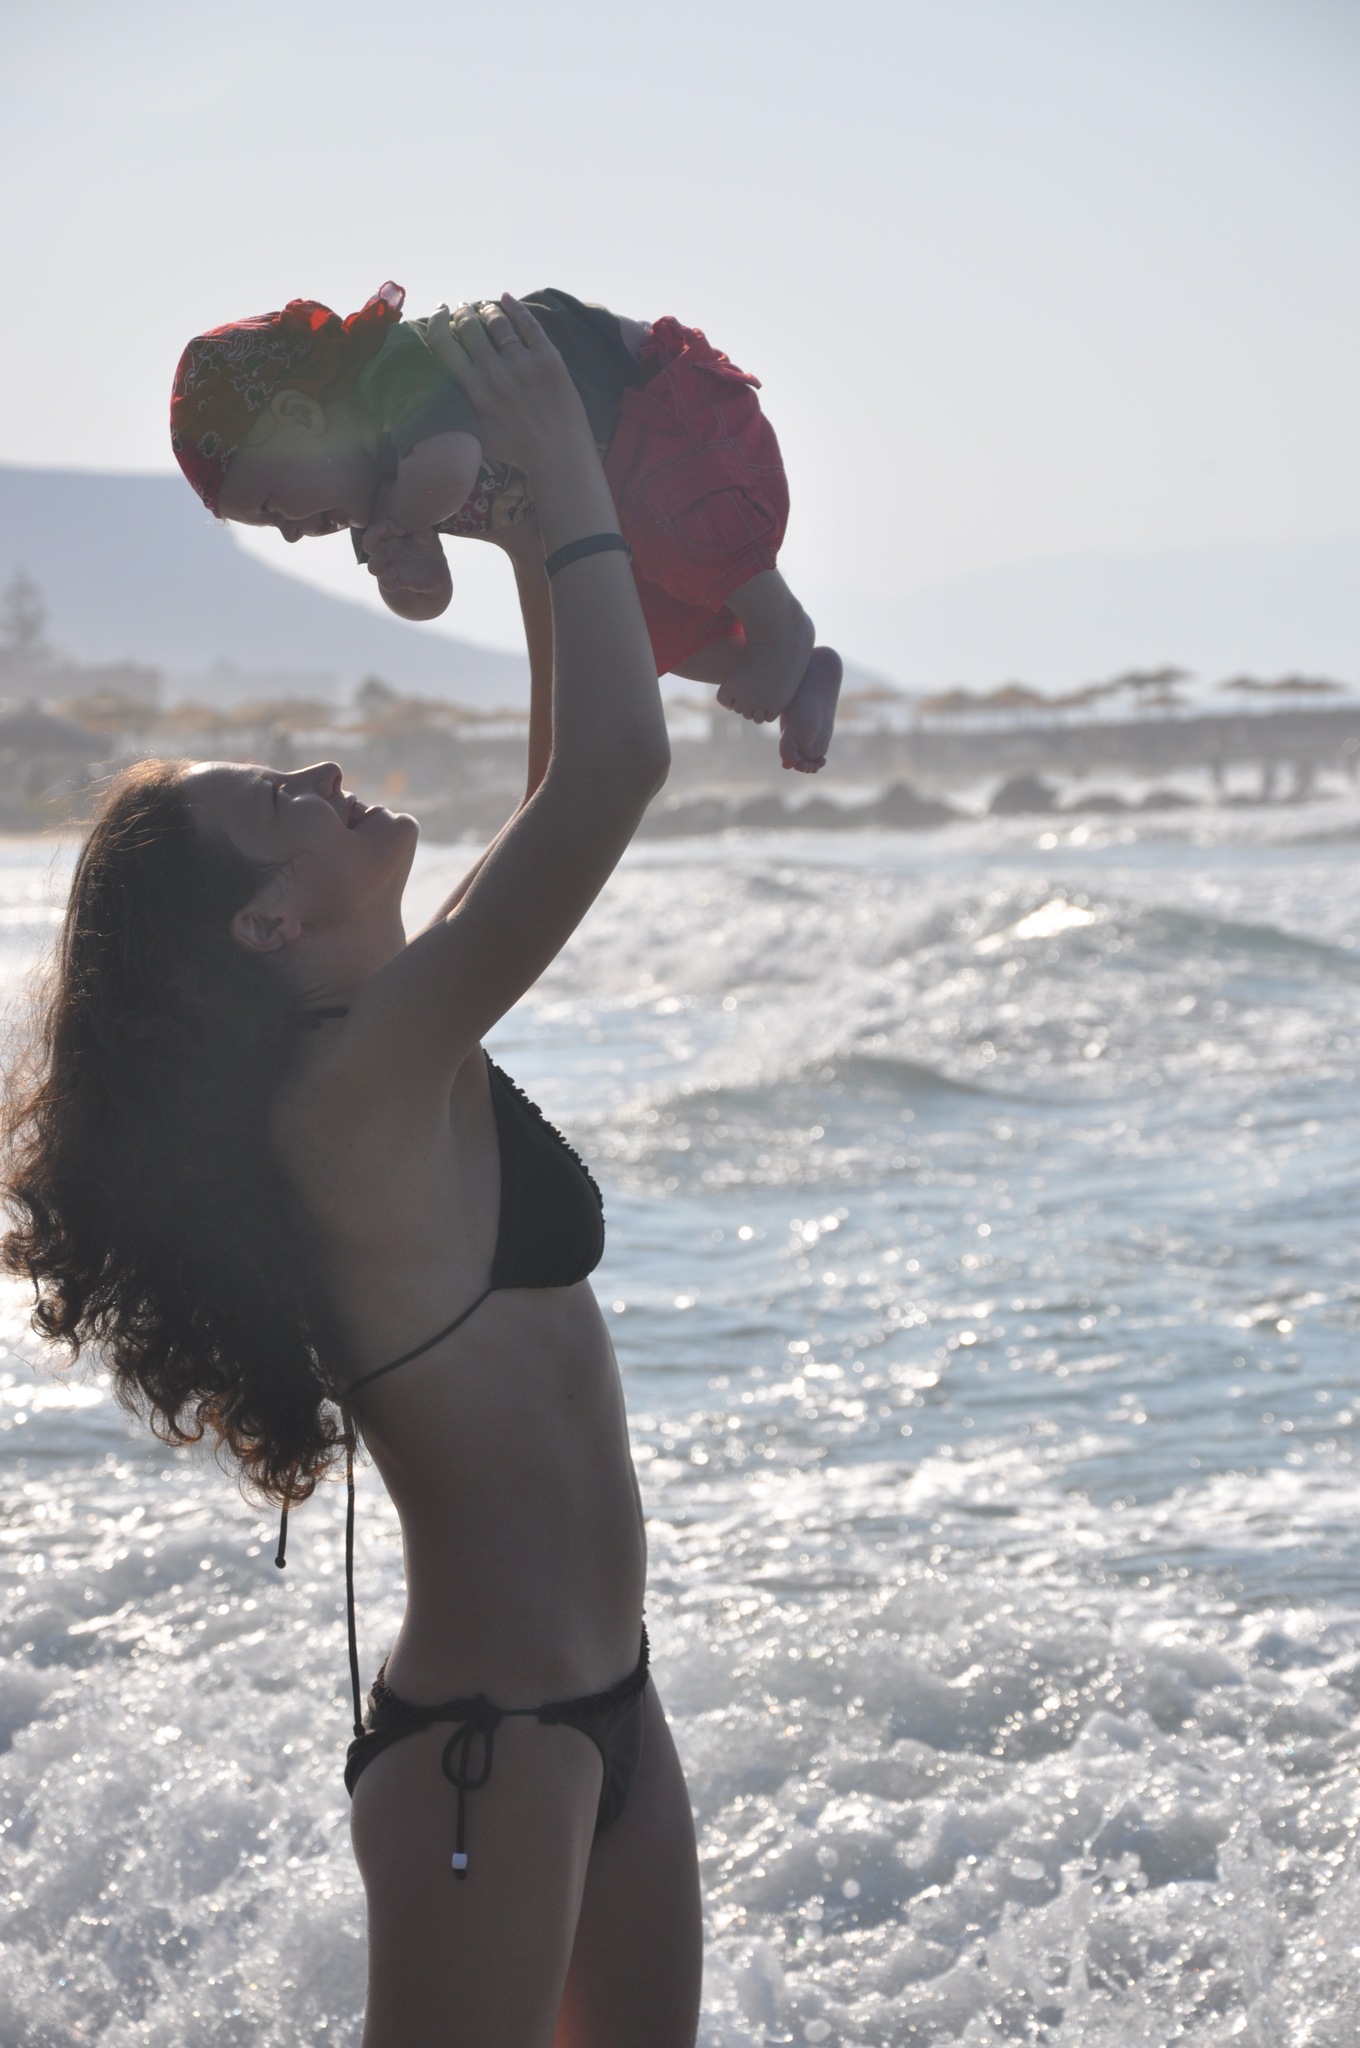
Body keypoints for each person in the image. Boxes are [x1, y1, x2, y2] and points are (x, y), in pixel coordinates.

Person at [6, 297, 701, 2048]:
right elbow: (617, 769)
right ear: (263, 922)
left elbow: (558, 781)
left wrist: (530, 524)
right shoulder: (347, 1098)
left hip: (607, 1709)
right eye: (281, 801)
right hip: (492, 1749)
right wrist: (564, 473)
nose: (325, 774)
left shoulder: (393, 1040)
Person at [171, 281, 842, 772]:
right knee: (630, 635)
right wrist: (409, 576)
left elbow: (450, 461)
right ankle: (796, 675)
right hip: (616, 507)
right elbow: (429, 599)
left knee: (673, 509)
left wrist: (401, 522)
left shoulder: (386, 371)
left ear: (300, 416)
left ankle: (779, 621)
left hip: (659, 410)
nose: (290, 534)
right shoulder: (370, 496)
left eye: (271, 507)